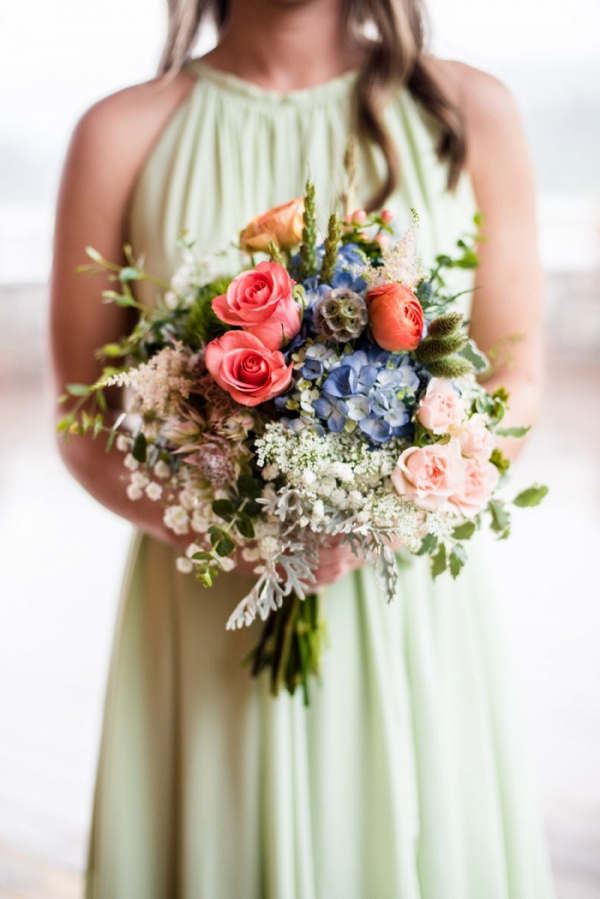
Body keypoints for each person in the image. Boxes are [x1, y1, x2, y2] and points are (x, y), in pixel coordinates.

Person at [50, 1, 555, 896]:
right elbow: (83, 418)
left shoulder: (468, 112)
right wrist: (232, 528)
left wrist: (381, 516)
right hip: (204, 587)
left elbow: (512, 388)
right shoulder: (120, 132)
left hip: (408, 601)